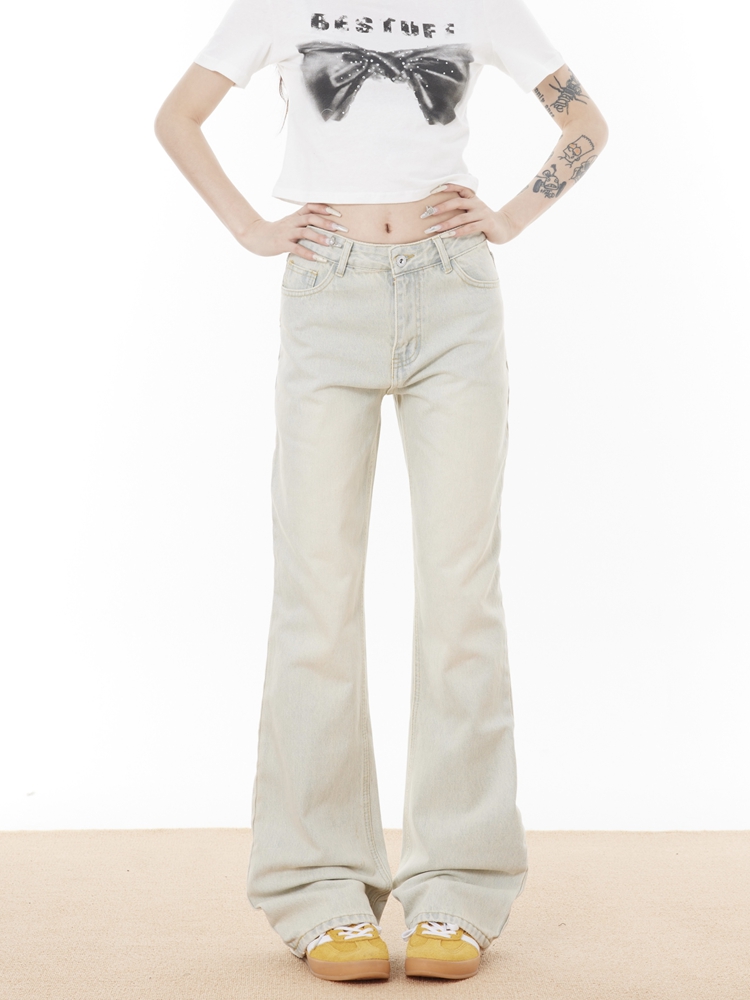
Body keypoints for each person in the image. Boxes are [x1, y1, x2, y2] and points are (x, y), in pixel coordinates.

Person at [154, 0, 608, 982]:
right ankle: (318, 887)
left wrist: (511, 216)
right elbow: (177, 116)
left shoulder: (484, 6)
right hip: (328, 291)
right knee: (316, 599)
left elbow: (585, 122)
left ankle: (460, 886)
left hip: (454, 296)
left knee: (461, 596)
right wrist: (251, 228)